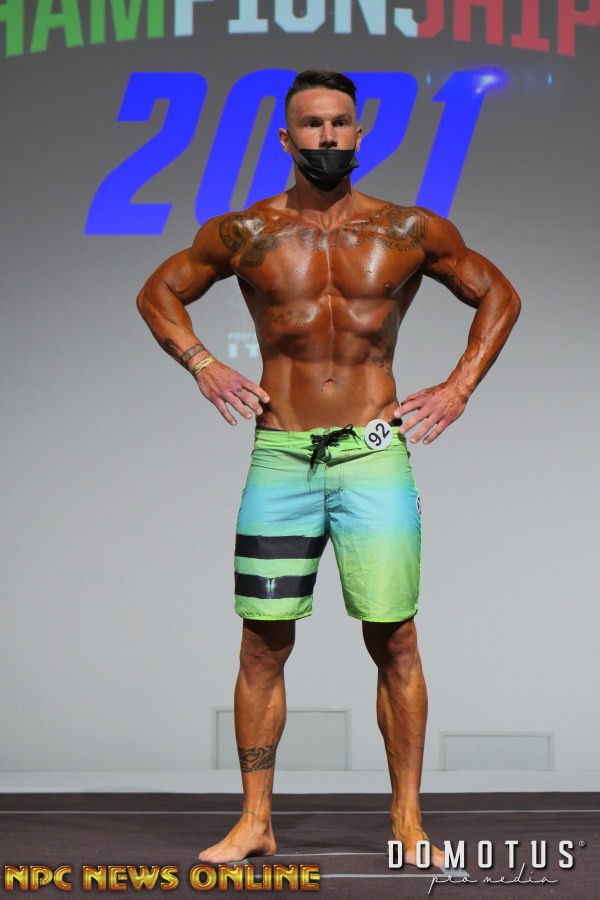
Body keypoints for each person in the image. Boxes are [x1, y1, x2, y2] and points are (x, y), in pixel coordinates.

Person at [136, 69, 521, 867]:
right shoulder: (246, 231)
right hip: (281, 457)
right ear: (286, 138)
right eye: (311, 124)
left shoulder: (406, 229)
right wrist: (203, 363)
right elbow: (158, 293)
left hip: (372, 455)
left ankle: (408, 821)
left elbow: (500, 295)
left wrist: (458, 388)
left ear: (359, 133)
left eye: (339, 122)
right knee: (261, 642)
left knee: (396, 637)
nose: (327, 136)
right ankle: (255, 821)